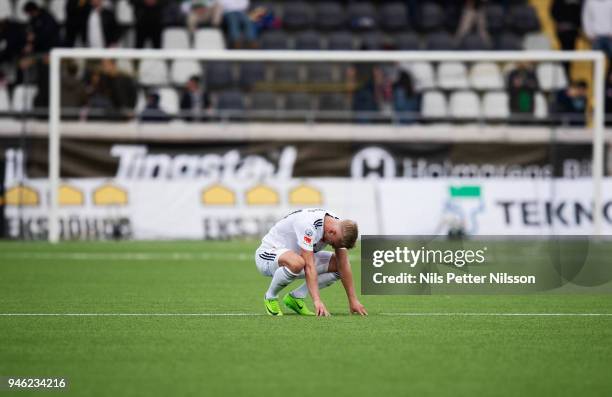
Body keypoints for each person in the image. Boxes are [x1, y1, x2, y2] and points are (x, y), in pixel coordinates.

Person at [256, 208, 367, 317]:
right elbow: (309, 266)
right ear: (332, 232)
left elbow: (343, 264)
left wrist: (353, 300)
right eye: (334, 244)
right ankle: (270, 297)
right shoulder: (308, 225)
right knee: (298, 262)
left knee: (339, 265)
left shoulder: (337, 226)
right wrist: (317, 301)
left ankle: (296, 297)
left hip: (296, 258)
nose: (333, 246)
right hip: (267, 256)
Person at [551, 0, 583, 77]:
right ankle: (564, 76)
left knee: (570, 54)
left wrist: (576, 24)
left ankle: (566, 75)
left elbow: (583, 12)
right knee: (564, 53)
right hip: (562, 31)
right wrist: (561, 22)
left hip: (573, 31)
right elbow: (553, 11)